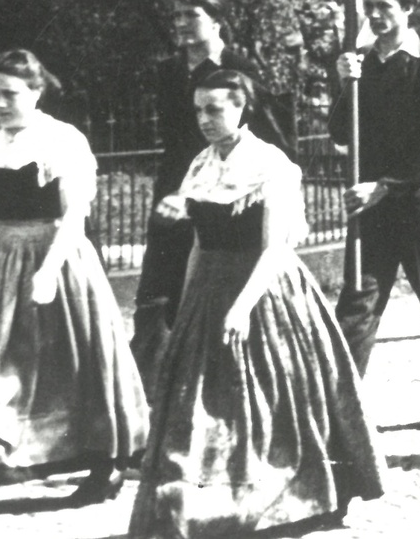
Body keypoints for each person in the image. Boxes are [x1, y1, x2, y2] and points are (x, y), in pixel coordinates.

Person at [130, 71, 383, 537]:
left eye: (216, 108)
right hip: (208, 289)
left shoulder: (272, 165)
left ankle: (293, 495)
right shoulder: (201, 165)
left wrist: (242, 307)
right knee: (199, 407)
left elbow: (274, 250)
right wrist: (189, 301)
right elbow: (198, 244)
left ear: (242, 107)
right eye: (200, 109)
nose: (205, 118)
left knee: (279, 397)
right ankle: (200, 503)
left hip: (264, 292)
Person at [0, 50, 148, 515]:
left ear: (35, 92)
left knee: (72, 369)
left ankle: (106, 464)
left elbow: (74, 214)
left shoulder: (61, 140)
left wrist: (47, 271)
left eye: (10, 93)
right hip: (1, 265)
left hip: (54, 264)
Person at [133, 0, 295, 388]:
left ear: (217, 20)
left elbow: (273, 136)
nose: (182, 24)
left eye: (192, 15)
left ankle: (229, 384)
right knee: (158, 288)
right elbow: (172, 143)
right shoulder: (168, 70)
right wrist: (179, 192)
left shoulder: (241, 68)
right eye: (177, 15)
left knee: (219, 292)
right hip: (181, 189)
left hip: (233, 202)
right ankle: (155, 394)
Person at [331, 0, 420, 430]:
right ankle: (339, 406)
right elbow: (339, 135)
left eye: (385, 6)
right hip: (374, 207)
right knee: (358, 302)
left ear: (408, 8)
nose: (375, 15)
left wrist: (384, 184)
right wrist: (342, 85)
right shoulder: (364, 63)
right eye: (369, 5)